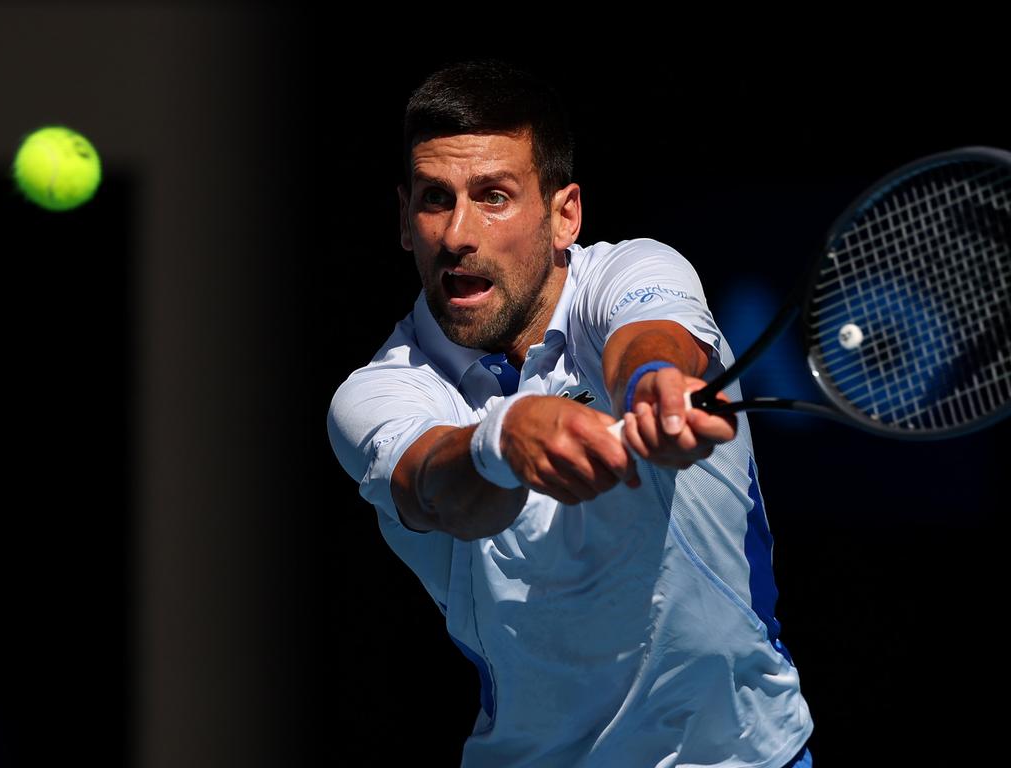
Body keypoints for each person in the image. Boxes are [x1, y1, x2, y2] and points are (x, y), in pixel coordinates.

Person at [327, 60, 813, 767]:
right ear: (405, 221)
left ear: (565, 214)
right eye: (436, 199)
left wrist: (655, 387)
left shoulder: (635, 271)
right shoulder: (373, 394)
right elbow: (440, 486)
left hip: (750, 754)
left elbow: (651, 340)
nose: (458, 233)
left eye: (493, 196)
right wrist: (502, 440)